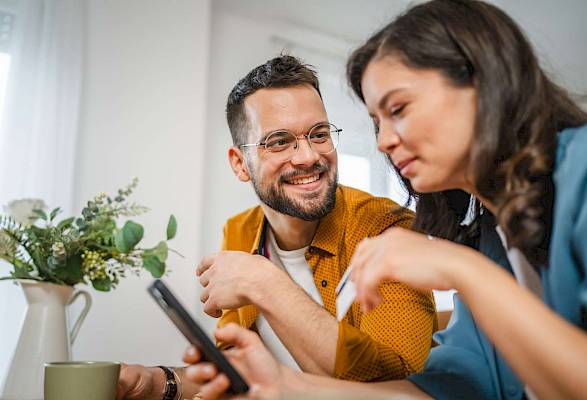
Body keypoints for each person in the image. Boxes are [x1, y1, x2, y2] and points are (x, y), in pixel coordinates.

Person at [183, 0, 587, 399]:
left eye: (398, 109)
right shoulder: (490, 234)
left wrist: (462, 270)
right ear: (240, 164)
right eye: (375, 122)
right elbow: (450, 390)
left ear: (485, 83)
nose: (383, 142)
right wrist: (285, 387)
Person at [117, 55, 437, 400]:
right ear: (240, 164)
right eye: (280, 141)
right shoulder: (240, 231)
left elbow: (400, 386)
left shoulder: (388, 227)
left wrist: (264, 282)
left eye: (319, 134)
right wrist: (157, 382)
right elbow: (241, 372)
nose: (308, 157)